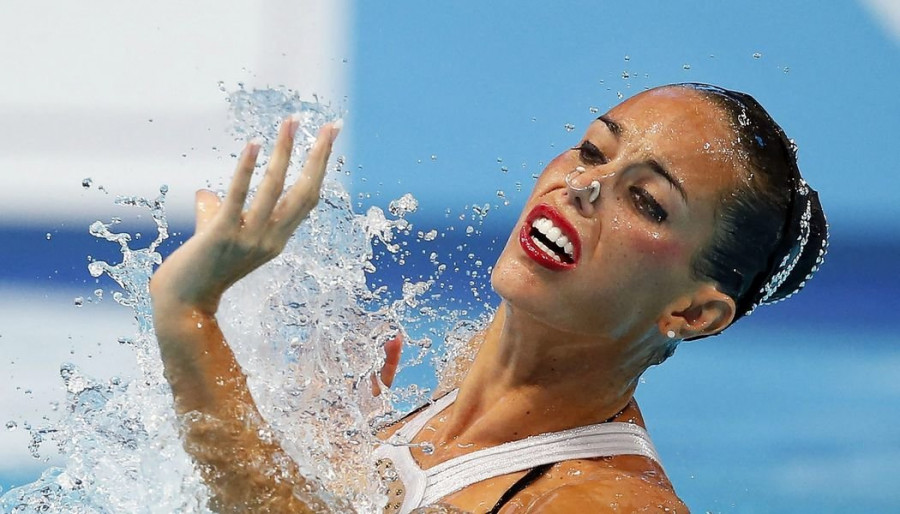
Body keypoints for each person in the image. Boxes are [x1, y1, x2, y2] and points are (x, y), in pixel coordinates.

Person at [149, 83, 827, 513]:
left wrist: (188, 316)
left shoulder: (606, 505)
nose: (584, 187)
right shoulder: (475, 378)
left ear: (691, 312)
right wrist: (334, 453)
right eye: (592, 151)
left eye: (646, 201)